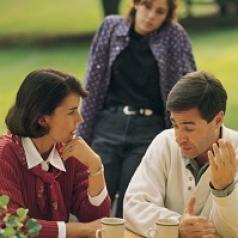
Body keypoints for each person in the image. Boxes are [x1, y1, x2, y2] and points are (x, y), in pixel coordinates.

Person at [78, 0, 196, 217]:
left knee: (132, 206)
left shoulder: (174, 37)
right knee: (94, 203)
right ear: (136, 4)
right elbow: (92, 86)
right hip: (108, 126)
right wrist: (80, 136)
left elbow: (189, 87)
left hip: (148, 132)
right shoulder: (111, 27)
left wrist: (186, 135)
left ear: (167, 16)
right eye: (147, 6)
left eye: (159, 12)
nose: (151, 16)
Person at [124, 71, 238, 238]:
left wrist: (224, 191)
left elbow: (231, 232)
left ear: (217, 120)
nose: (179, 138)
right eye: (175, 125)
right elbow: (134, 206)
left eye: (189, 128)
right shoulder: (164, 143)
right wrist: (177, 226)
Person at [0, 69, 111, 238]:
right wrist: (80, 230)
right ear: (43, 119)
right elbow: (10, 225)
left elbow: (97, 222)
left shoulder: (72, 151)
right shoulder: (4, 156)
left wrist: (96, 167)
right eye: (71, 111)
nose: (80, 119)